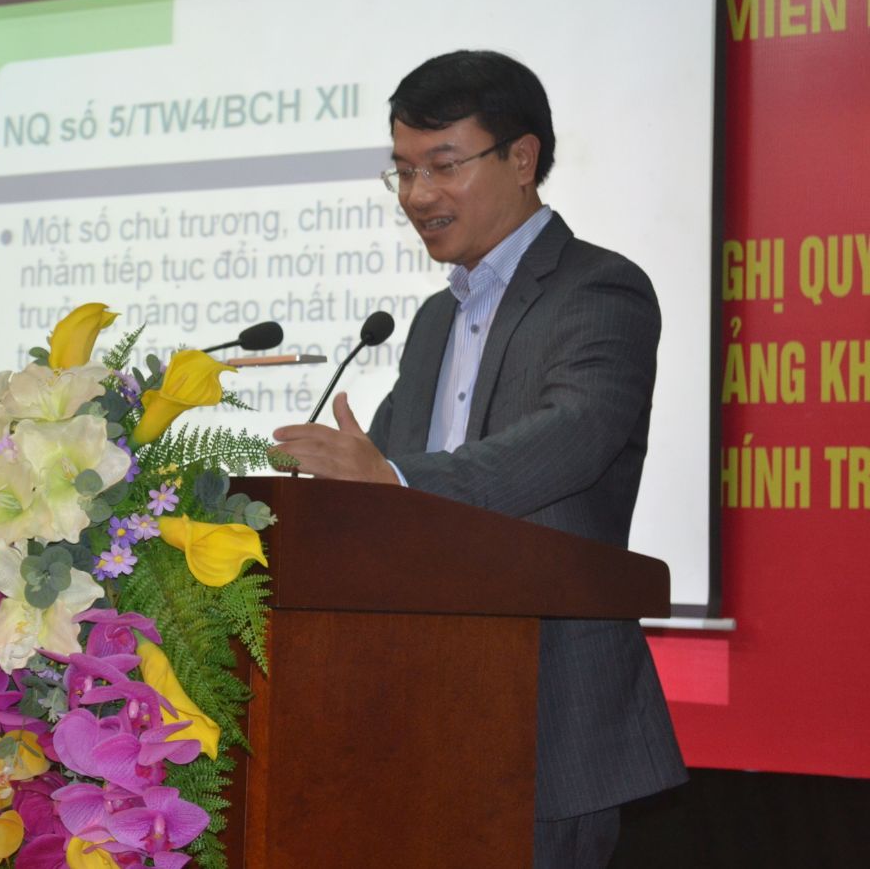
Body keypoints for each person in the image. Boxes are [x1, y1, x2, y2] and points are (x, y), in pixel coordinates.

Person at [271, 50, 686, 869]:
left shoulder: (600, 289)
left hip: (547, 716)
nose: (417, 194)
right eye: (402, 170)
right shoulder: (433, 321)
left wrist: (395, 478)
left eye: (442, 164)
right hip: (416, 712)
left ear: (522, 158)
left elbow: (573, 435)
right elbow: (377, 472)